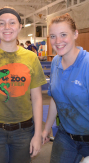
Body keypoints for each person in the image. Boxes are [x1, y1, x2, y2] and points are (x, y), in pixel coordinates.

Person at [0, 7, 47, 163]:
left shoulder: (31, 58)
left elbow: (37, 98)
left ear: (20, 27)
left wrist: (37, 134)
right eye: (2, 23)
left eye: (12, 23)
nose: (7, 27)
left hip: (24, 131)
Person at [42, 13, 89, 163]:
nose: (58, 41)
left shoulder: (87, 64)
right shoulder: (56, 62)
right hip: (66, 136)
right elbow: (56, 98)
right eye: (53, 36)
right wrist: (46, 128)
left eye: (63, 35)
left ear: (75, 34)